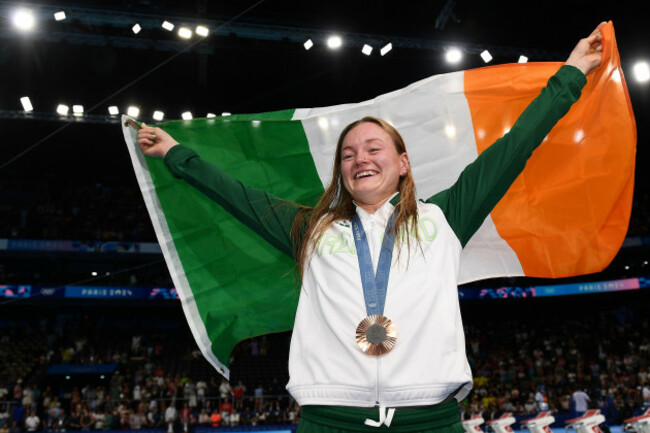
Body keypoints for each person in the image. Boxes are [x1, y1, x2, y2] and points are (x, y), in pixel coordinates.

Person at [138, 23, 605, 433]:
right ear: (341, 171)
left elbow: (514, 147)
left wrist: (572, 72)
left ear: (402, 163)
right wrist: (177, 154)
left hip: (429, 419)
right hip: (330, 419)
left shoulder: (445, 218)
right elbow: (238, 197)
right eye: (348, 153)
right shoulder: (311, 229)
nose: (361, 157)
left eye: (374, 148)